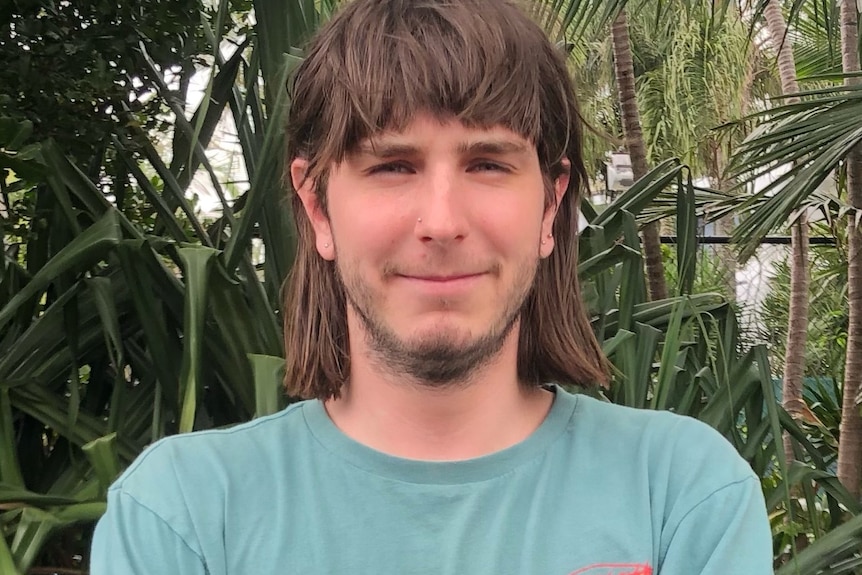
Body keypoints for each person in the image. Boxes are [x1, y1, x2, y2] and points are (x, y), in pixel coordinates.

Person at [90, 0, 772, 573]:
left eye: (487, 163)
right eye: (392, 165)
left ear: (549, 205)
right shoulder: (182, 515)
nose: (442, 222)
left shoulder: (682, 495)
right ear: (318, 206)